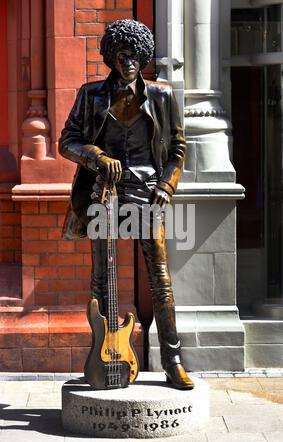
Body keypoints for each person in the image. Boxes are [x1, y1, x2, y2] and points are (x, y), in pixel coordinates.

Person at [58, 19, 194, 390]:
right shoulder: (91, 95)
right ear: (111, 57)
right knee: (102, 280)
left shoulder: (163, 96)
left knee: (161, 282)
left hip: (147, 193)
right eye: (121, 55)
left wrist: (167, 185)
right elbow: (66, 141)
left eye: (134, 55)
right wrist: (95, 156)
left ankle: (173, 360)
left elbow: (179, 147)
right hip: (103, 193)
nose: (128, 61)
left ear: (144, 56)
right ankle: (105, 357)